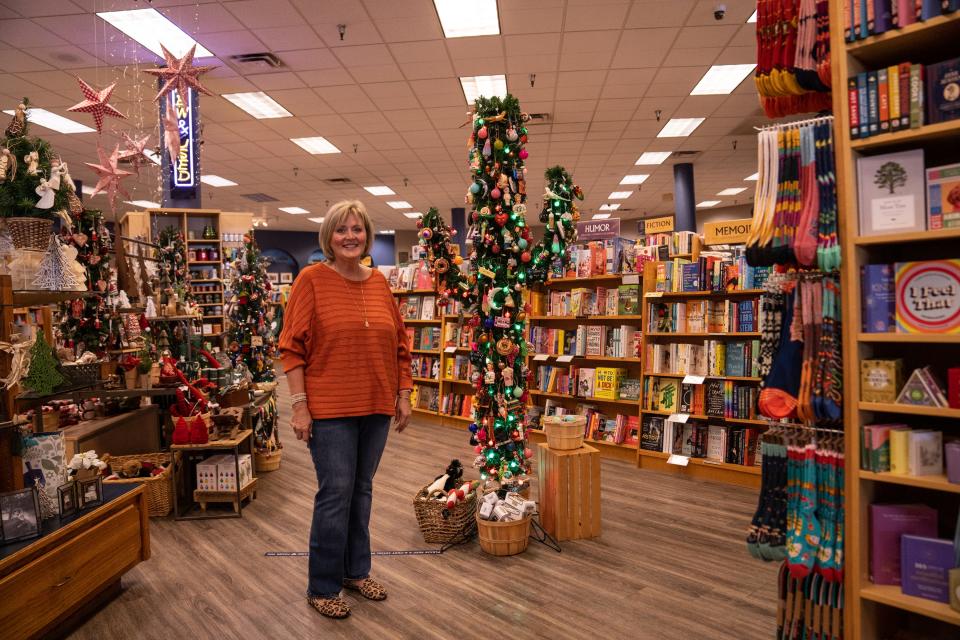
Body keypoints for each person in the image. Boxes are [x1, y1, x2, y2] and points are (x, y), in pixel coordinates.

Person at [279, 199, 413, 620]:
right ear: (329, 237)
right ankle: (322, 585)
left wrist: (404, 393)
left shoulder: (379, 284)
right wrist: (300, 406)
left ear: (367, 236)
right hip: (330, 409)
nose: (350, 236)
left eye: (357, 229)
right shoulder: (311, 280)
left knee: (362, 489)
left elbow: (400, 346)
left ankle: (356, 571)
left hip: (375, 405)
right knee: (335, 492)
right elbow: (291, 348)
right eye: (342, 229)